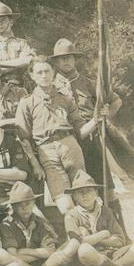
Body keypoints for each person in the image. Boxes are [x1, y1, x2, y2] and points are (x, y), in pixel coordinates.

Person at [50, 38, 127, 231]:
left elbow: (116, 101)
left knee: (105, 189)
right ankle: (82, 235)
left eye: (69, 58)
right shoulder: (51, 86)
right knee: (75, 192)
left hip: (91, 142)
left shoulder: (90, 84)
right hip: (67, 143)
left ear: (75, 59)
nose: (65, 62)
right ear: (56, 63)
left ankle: (120, 234)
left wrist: (103, 119)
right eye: (61, 59)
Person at [15, 55, 97, 214]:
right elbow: (24, 138)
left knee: (84, 195)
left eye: (47, 71)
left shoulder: (66, 98)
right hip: (46, 152)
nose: (44, 75)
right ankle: (76, 235)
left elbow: (80, 130)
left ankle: (88, 235)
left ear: (53, 72)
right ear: (32, 75)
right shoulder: (27, 103)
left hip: (70, 145)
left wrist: (96, 120)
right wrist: (35, 163)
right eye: (39, 72)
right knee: (65, 204)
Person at [65, 171, 134, 266]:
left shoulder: (106, 212)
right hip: (89, 259)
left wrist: (94, 240)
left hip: (113, 254)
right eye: (80, 192)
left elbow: (119, 240)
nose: (85, 195)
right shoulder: (71, 215)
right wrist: (104, 234)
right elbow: (79, 242)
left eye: (89, 191)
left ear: (96, 193)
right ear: (74, 197)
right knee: (84, 250)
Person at [0, 181, 76, 266]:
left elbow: (50, 251)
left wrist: (26, 252)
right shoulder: (7, 224)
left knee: (68, 245)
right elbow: (13, 253)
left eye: (27, 203)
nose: (24, 208)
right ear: (13, 207)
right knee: (0, 255)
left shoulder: (40, 221)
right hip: (16, 263)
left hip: (40, 263)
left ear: (33, 203)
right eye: (19, 205)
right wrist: (40, 252)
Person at [0, 2, 36, 86]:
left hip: (21, 87)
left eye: (3, 20)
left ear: (11, 22)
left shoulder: (22, 43)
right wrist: (16, 64)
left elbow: (27, 61)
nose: (0, 24)